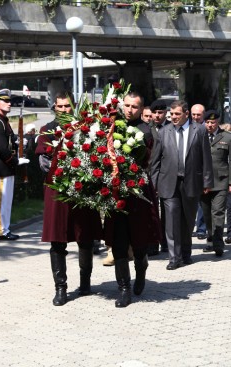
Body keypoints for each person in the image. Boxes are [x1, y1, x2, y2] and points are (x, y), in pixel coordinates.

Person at [35, 91, 102, 306]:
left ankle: (85, 282)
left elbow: (95, 157)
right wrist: (65, 172)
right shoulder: (47, 131)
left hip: (83, 191)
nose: (64, 110)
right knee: (57, 240)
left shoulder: (85, 128)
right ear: (54, 107)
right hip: (58, 192)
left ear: (73, 107)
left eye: (67, 106)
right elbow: (44, 162)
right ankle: (61, 288)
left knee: (85, 237)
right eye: (60, 106)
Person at [103, 91, 161, 307]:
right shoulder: (114, 126)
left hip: (137, 193)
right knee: (118, 243)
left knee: (138, 242)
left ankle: (141, 270)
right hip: (116, 193)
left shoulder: (146, 131)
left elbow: (144, 158)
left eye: (134, 106)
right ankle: (124, 289)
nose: (129, 110)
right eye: (126, 105)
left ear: (141, 108)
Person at [151, 100, 214, 270]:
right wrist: (154, 182)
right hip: (168, 182)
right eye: (172, 114)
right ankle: (174, 257)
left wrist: (207, 181)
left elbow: (206, 158)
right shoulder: (164, 132)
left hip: (191, 182)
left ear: (186, 114)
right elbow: (155, 161)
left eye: (178, 114)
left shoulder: (199, 130)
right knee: (171, 220)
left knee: (187, 220)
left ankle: (186, 253)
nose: (174, 117)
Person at [0, 89, 29, 241]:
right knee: (1, 200)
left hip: (7, 167)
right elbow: (1, 148)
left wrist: (18, 142)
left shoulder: (4, 121)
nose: (9, 103)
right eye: (6, 101)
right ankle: (0, 231)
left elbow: (9, 143)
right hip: (1, 167)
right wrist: (16, 161)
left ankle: (5, 228)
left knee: (7, 201)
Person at [200, 110, 231, 256]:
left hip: (221, 181)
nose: (209, 125)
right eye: (207, 122)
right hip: (203, 182)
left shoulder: (227, 137)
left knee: (218, 213)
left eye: (212, 122)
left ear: (218, 122)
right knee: (207, 214)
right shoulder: (199, 135)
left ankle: (218, 243)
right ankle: (210, 239)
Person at [147, 99, 170, 256]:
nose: (157, 115)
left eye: (160, 113)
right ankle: (153, 243)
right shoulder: (146, 129)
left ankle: (166, 243)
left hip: (166, 174)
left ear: (165, 113)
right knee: (152, 211)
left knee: (167, 211)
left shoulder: (171, 129)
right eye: (154, 113)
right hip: (149, 174)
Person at [191, 104, 208, 239]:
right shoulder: (186, 127)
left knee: (202, 203)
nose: (196, 117)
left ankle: (201, 228)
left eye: (199, 115)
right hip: (188, 172)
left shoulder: (206, 129)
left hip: (202, 171)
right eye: (193, 114)